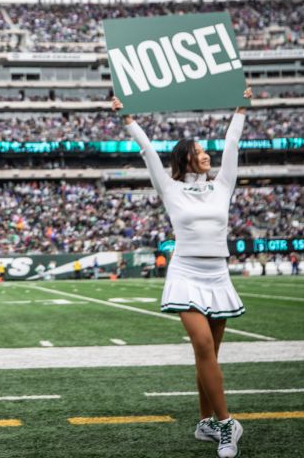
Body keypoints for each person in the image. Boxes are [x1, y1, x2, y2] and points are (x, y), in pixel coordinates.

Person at [113, 87, 252, 458]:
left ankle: (205, 421)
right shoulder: (170, 188)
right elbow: (147, 154)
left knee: (208, 358)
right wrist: (128, 120)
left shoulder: (223, 185)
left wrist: (240, 109)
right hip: (186, 274)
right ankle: (226, 426)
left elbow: (233, 144)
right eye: (198, 153)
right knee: (203, 346)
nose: (206, 156)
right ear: (185, 160)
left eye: (207, 151)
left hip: (218, 276)